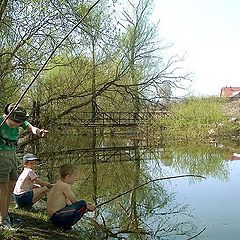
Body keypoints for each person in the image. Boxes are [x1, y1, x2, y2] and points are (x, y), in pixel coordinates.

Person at [0, 103, 48, 230]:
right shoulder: (1, 122)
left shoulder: (19, 121)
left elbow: (29, 126)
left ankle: (5, 214)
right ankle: (3, 219)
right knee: (2, 190)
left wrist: (37, 131)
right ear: (9, 117)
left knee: (10, 189)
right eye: (16, 122)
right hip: (1, 158)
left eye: (19, 122)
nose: (18, 125)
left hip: (12, 157)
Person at [46, 163, 96, 230]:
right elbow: (75, 202)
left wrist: (85, 207)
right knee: (82, 203)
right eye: (74, 176)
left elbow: (69, 204)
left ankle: (65, 226)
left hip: (54, 218)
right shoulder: (64, 186)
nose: (76, 178)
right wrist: (88, 206)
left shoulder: (59, 183)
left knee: (82, 205)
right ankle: (64, 226)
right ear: (68, 177)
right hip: (57, 217)